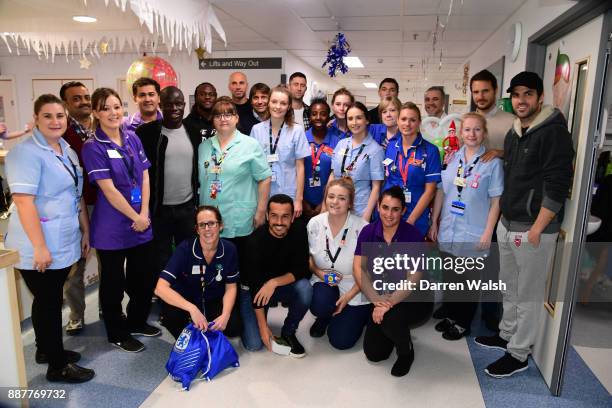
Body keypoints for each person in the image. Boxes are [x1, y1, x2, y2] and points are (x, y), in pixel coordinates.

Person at [475, 72, 574, 378]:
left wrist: (537, 227)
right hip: (507, 222)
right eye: (516, 95)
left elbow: (557, 184)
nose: (521, 100)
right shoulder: (516, 132)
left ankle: (518, 353)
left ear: (540, 97)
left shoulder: (554, 132)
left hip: (532, 228)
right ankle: (506, 335)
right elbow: (520, 169)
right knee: (509, 286)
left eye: (527, 94)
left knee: (527, 293)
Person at [5, 94, 95, 382]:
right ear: (36, 119)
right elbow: (23, 202)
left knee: (48, 299)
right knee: (48, 302)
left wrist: (86, 230)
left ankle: (45, 349)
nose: (55, 121)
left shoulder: (66, 150)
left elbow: (75, 194)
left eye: (60, 116)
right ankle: (57, 366)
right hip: (39, 244)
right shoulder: (25, 153)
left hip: (64, 238)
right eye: (48, 116)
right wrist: (40, 247)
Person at [82, 87, 160, 353]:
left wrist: (145, 213)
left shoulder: (132, 138)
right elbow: (109, 190)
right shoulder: (93, 146)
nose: (113, 113)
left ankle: (137, 321)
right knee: (113, 283)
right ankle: (116, 332)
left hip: (141, 220)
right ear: (96, 113)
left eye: (116, 107)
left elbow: (145, 176)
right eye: (105, 108)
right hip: (113, 225)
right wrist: (135, 216)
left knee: (144, 276)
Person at [198, 97, 271, 351]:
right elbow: (204, 184)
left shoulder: (250, 145)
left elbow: (264, 178)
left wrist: (261, 210)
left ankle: (252, 320)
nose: (224, 118)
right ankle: (224, 318)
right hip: (212, 227)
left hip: (242, 224)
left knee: (244, 278)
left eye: (229, 114)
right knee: (217, 275)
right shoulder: (205, 147)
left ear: (237, 118)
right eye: (218, 115)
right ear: (213, 120)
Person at [428, 112, 503, 340]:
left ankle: (463, 323)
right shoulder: (452, 159)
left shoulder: (492, 163)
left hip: (474, 230)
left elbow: (496, 201)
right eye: (467, 129)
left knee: (467, 281)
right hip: (449, 228)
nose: (472, 134)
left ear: (484, 133)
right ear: (460, 133)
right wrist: (434, 222)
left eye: (477, 129)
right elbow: (441, 191)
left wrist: (488, 232)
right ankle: (451, 315)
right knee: (451, 276)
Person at [354, 187, 430, 377]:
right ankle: (394, 332)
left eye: (395, 209)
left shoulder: (413, 236)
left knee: (392, 318)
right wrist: (375, 300)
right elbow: (358, 268)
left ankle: (406, 352)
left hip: (413, 297)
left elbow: (414, 277)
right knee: (374, 354)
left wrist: (386, 304)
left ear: (403, 211)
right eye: (385, 207)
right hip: (380, 295)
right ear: (378, 207)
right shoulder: (368, 232)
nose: (389, 214)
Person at [136, 86, 201, 285]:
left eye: (179, 103)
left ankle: (185, 296)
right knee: (161, 258)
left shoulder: (193, 131)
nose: (174, 108)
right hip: (159, 211)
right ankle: (165, 301)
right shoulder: (146, 133)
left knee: (188, 256)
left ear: (184, 105)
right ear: (160, 106)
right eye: (169, 104)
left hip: (187, 209)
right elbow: (139, 172)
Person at [155, 206, 241, 339]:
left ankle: (204, 328)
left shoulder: (230, 249)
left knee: (234, 327)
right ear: (197, 230)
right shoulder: (185, 248)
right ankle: (193, 335)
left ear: (221, 226)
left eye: (211, 223)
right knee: (171, 317)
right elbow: (160, 289)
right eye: (202, 225)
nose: (207, 229)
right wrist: (192, 309)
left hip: (213, 299)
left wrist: (226, 314)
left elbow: (231, 287)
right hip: (187, 300)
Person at [242, 194, 312, 356]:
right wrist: (262, 327)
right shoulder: (254, 241)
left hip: (278, 286)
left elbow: (303, 269)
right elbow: (254, 287)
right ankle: (247, 317)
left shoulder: (300, 230)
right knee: (254, 344)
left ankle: (289, 331)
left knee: (305, 288)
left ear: (292, 217)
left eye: (285, 217)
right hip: (254, 290)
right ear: (267, 216)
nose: (279, 222)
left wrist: (273, 283)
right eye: (274, 216)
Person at [308, 178, 370, 349]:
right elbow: (308, 258)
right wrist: (320, 273)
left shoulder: (363, 228)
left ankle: (358, 315)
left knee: (340, 341)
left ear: (350, 203)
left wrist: (348, 296)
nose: (335, 202)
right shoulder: (314, 224)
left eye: (342, 198)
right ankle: (325, 316)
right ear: (325, 198)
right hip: (324, 280)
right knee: (320, 304)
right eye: (331, 196)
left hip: (356, 285)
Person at [58, 81, 96, 335]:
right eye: (76, 98)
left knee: (111, 263)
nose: (83, 101)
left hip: (105, 204)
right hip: (76, 207)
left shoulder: (102, 125)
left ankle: (109, 307)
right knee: (75, 266)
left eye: (86, 96)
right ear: (66, 104)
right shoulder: (60, 134)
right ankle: (76, 315)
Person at [250, 86, 310, 219]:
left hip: (288, 192)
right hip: (262, 194)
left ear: (289, 106)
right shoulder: (256, 130)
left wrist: (299, 199)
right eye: (274, 101)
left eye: (283, 103)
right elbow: (252, 167)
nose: (278, 106)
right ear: (268, 103)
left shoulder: (297, 131)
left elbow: (300, 167)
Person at [383, 102, 441, 236]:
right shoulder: (391, 146)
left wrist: (411, 220)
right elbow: (388, 179)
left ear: (419, 122)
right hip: (389, 216)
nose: (407, 124)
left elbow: (430, 191)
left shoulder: (430, 150)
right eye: (403, 119)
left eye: (412, 120)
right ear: (397, 121)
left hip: (415, 216)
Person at [329, 101, 384, 221]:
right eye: (350, 119)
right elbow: (333, 175)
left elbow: (376, 187)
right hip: (335, 206)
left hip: (359, 209)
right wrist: (325, 204)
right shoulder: (341, 144)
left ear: (367, 120)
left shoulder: (375, 150)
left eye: (358, 118)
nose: (354, 123)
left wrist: (366, 217)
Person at [303, 98, 340, 219]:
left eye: (323, 114)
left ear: (328, 117)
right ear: (309, 117)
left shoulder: (337, 142)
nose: (318, 117)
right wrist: (302, 200)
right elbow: (294, 171)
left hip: (328, 202)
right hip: (303, 202)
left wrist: (324, 203)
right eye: (314, 114)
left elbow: (336, 175)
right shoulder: (301, 138)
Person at [470, 70, 515, 162]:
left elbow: (521, 155)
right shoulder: (465, 122)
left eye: (485, 91)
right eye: (476, 92)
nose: (480, 96)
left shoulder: (512, 122)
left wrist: (501, 153)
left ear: (495, 90)